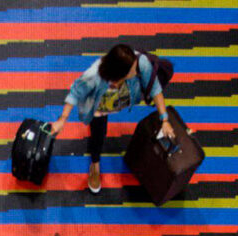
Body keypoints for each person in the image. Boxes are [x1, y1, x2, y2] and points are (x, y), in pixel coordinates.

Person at [50, 44, 175, 194]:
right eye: (132, 70)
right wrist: (62, 119)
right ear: (119, 73)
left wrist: (165, 120)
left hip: (120, 101)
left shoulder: (139, 62)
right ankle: (95, 166)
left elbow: (155, 89)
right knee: (98, 136)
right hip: (98, 109)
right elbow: (75, 92)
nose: (137, 72)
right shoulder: (94, 76)